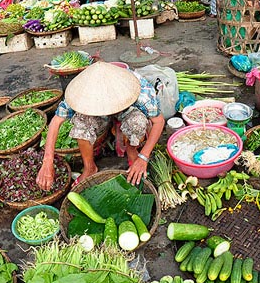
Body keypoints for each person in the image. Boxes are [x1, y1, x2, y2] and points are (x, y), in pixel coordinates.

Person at [36, 62, 165, 189]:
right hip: (95, 112)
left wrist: (143, 157)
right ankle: (90, 167)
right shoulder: (80, 92)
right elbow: (56, 121)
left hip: (128, 110)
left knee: (137, 123)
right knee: (81, 123)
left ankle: (132, 151)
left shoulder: (140, 91)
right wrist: (47, 161)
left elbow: (159, 122)